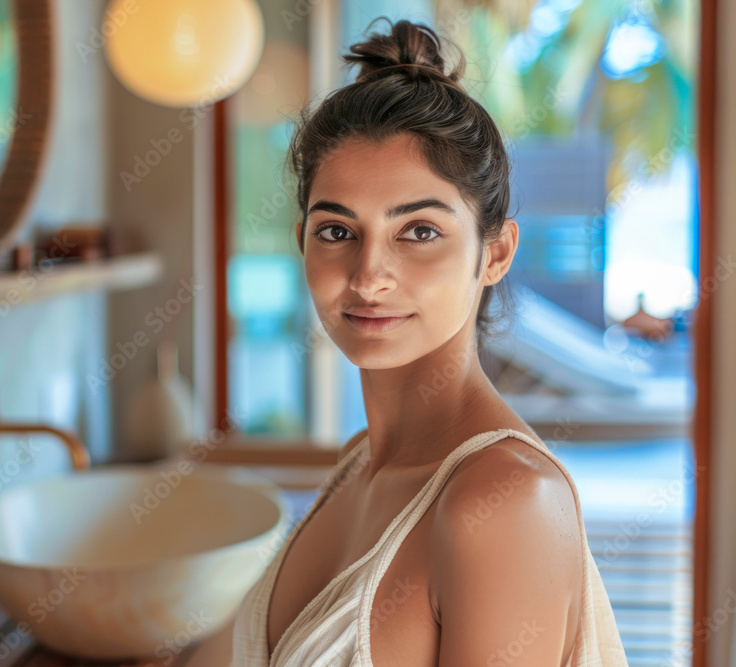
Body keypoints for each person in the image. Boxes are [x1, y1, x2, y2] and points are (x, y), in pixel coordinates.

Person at [218, 16, 631, 667]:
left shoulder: (503, 502)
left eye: (418, 231)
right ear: (302, 242)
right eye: (336, 231)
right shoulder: (360, 464)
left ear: (495, 253)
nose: (368, 276)